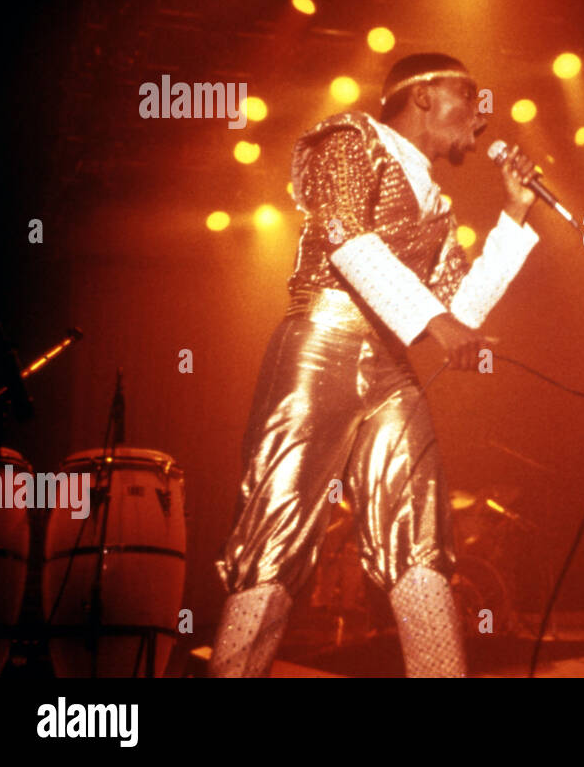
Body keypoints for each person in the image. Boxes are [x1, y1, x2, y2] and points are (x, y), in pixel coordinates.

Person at [210, 53, 540, 677]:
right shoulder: (349, 138)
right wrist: (439, 325)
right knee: (276, 529)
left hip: (391, 367)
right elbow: (345, 236)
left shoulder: (437, 206)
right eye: (468, 95)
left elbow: (457, 310)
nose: (481, 113)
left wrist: (515, 214)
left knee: (420, 537)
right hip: (320, 342)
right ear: (421, 96)